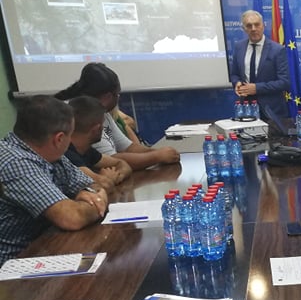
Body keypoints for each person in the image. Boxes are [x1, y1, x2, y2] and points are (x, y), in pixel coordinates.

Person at [0, 96, 109, 263]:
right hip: (13, 266)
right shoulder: (15, 163)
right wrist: (98, 203)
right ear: (59, 139)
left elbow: (94, 184)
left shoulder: (50, 153)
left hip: (44, 249)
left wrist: (85, 192)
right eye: (70, 135)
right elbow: (72, 218)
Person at [55, 63, 180, 170]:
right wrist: (156, 156)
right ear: (108, 97)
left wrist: (159, 152)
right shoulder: (80, 114)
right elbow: (111, 159)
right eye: (118, 94)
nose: (118, 98)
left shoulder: (102, 111)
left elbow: (128, 147)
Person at [229, 10, 291, 125]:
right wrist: (237, 82)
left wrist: (257, 88)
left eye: (257, 24)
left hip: (272, 112)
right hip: (246, 109)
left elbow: (284, 82)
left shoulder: (278, 50)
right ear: (244, 28)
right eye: (249, 25)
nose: (253, 29)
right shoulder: (239, 47)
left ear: (263, 26)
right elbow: (234, 74)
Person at [65, 95, 133, 191]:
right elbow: (103, 184)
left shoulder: (86, 150)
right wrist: (106, 179)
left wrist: (116, 176)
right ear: (96, 129)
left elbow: (123, 163)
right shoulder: (66, 155)